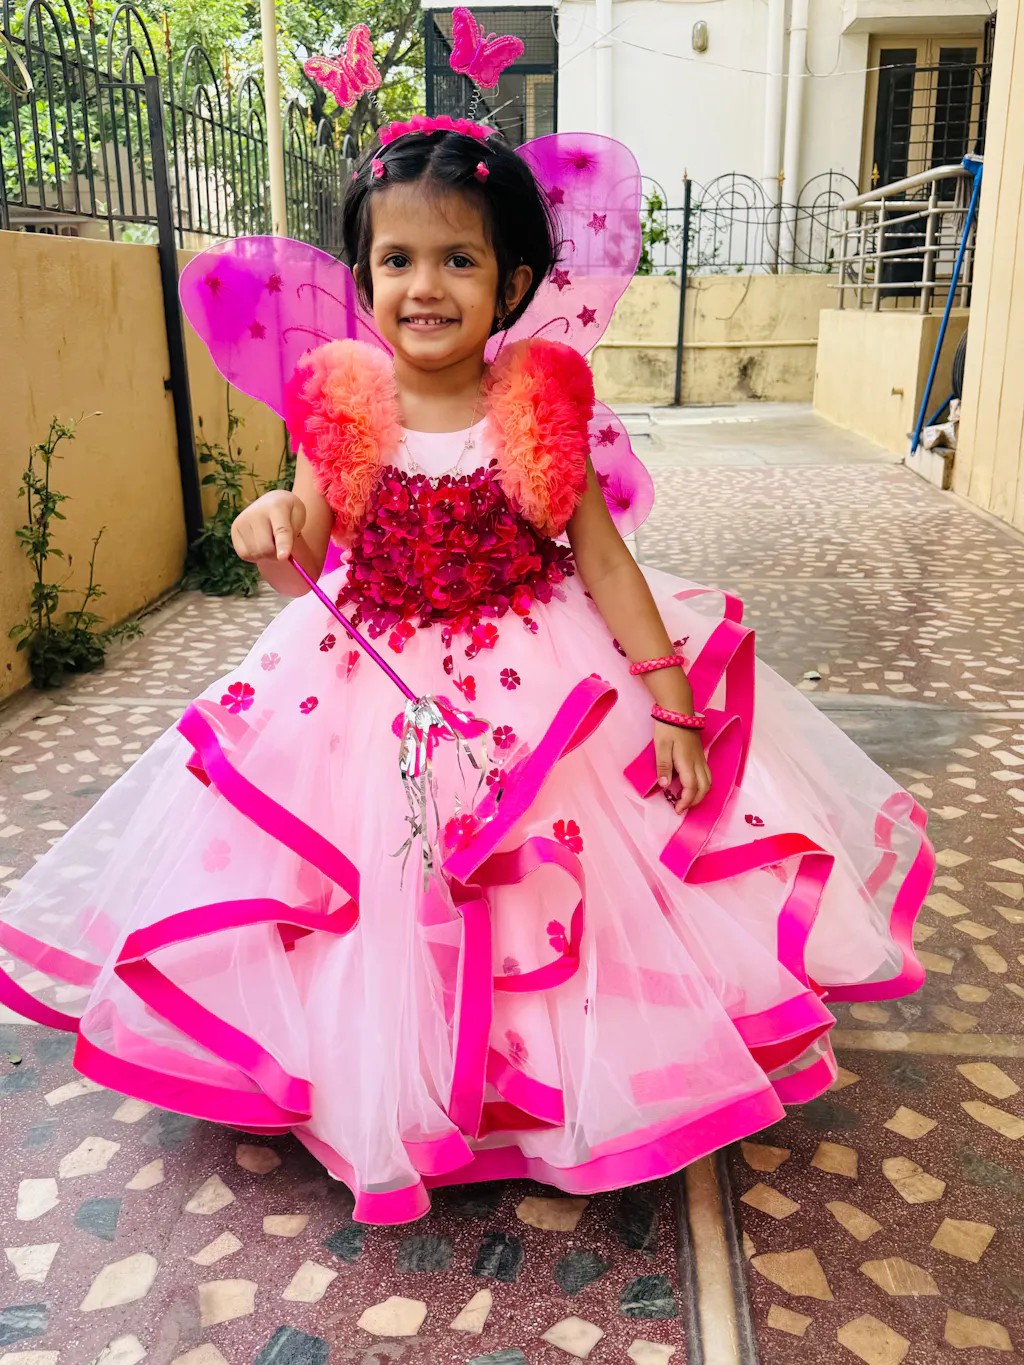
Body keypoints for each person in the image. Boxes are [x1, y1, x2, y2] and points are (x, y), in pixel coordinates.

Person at [0, 119, 933, 1226]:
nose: (425, 287)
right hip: (373, 684)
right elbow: (304, 554)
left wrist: (671, 700)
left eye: (458, 259)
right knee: (383, 889)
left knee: (541, 886)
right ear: (364, 278)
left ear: (512, 282)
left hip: (536, 674)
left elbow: (604, 562)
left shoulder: (537, 405)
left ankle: (545, 1079)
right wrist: (268, 523)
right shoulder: (342, 405)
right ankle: (387, 1075)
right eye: (396, 260)